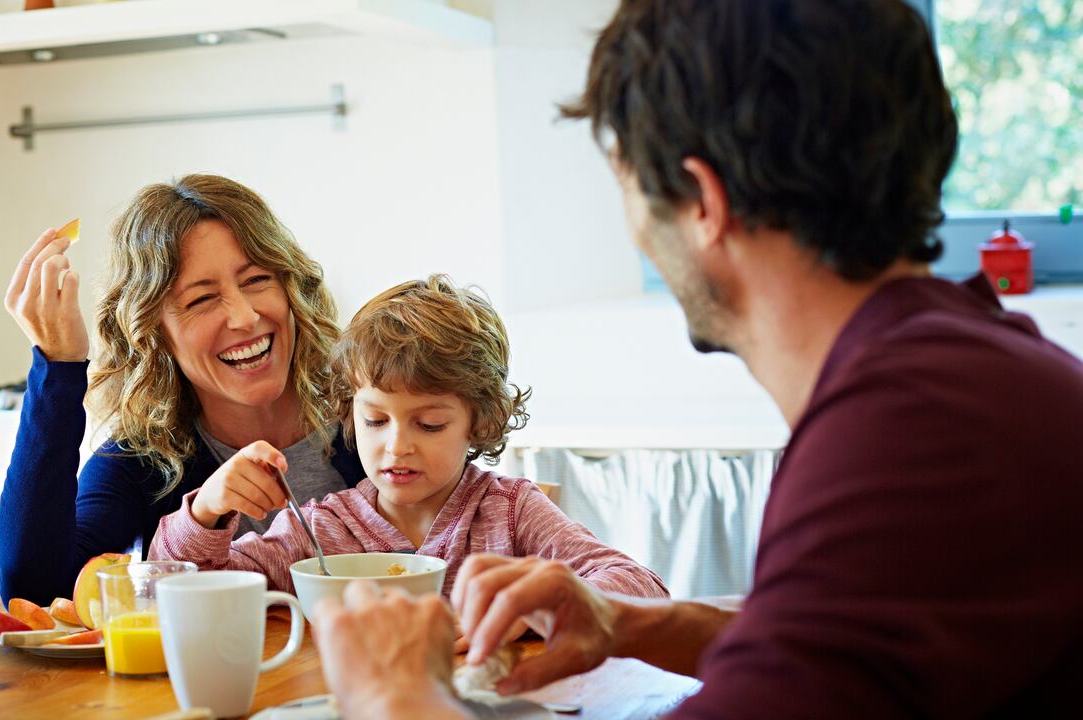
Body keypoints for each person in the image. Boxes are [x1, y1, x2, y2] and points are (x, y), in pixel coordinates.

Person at [308, 1, 1083, 718]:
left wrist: (393, 693)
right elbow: (844, 638)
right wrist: (635, 621)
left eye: (627, 185)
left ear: (701, 201)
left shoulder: (902, 445)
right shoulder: (977, 371)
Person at [149, 276, 667, 634]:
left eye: (430, 423)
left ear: (479, 421)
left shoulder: (511, 512)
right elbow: (180, 594)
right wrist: (205, 511)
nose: (396, 445)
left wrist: (533, 608)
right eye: (375, 421)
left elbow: (641, 587)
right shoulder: (323, 531)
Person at [0, 174, 365, 605]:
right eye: (201, 299)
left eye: (256, 280)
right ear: (155, 334)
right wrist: (58, 368)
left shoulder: (376, 423)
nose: (245, 317)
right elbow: (37, 592)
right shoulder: (143, 461)